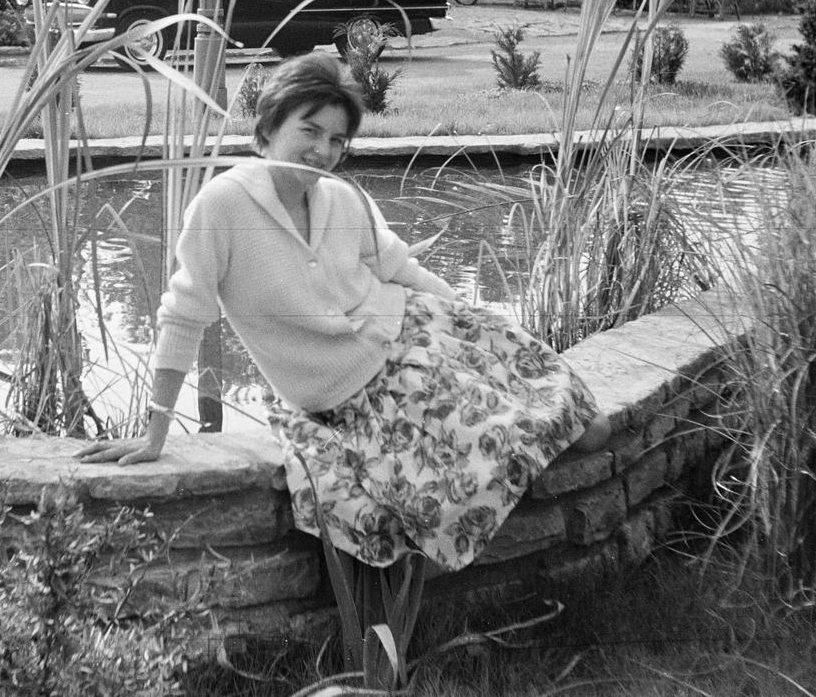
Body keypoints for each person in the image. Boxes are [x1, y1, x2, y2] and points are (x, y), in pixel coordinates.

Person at [77, 53, 610, 573]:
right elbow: (183, 314)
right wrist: (156, 433)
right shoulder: (223, 206)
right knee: (483, 474)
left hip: (418, 336)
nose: (323, 151)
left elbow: (401, 269)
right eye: (309, 131)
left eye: (337, 140)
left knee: (590, 428)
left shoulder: (340, 197)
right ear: (266, 132)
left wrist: (475, 323)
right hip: (349, 398)